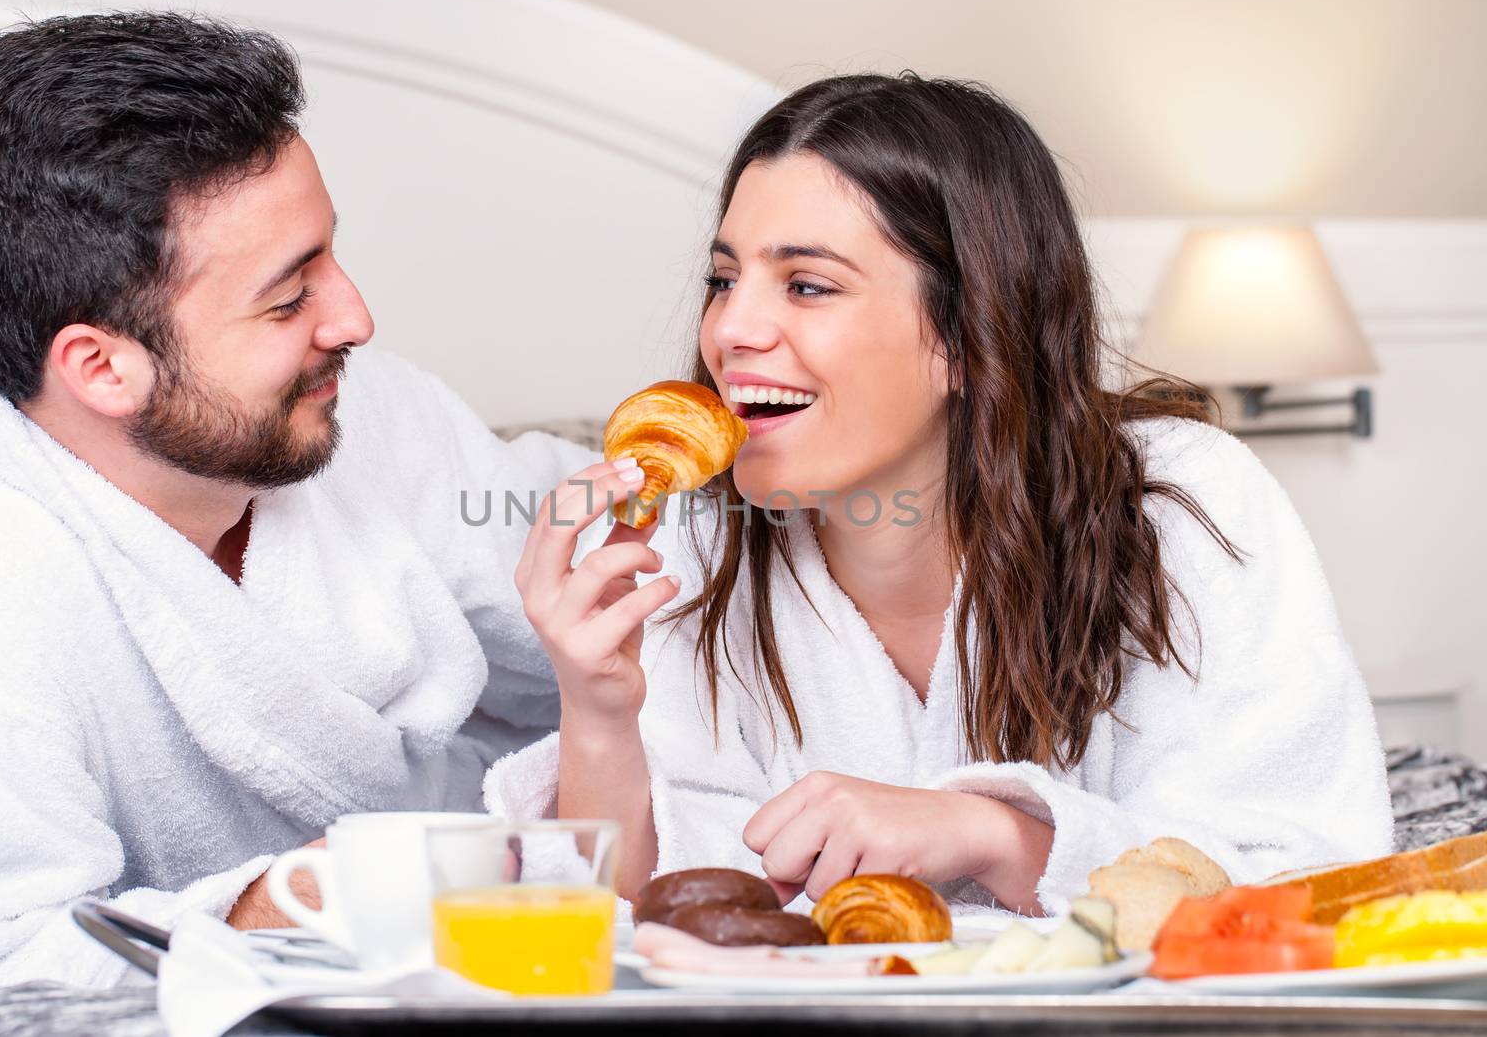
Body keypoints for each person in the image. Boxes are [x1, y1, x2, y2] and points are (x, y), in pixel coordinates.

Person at [488, 74, 1394, 915]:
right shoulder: (699, 536)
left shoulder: (1178, 501)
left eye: (806, 285)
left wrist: (995, 834)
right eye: (724, 280)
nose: (731, 328)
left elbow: (1298, 870)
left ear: (966, 337)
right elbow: (634, 909)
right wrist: (598, 712)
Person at [0, 12, 617, 985]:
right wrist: (281, 906)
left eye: (327, 255)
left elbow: (669, 617)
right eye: (288, 299)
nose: (354, 316)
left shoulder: (375, 419)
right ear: (101, 366)